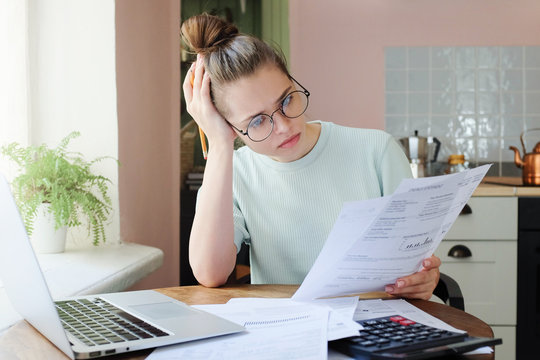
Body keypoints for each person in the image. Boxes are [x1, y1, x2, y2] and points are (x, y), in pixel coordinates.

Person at [181, 13, 441, 300]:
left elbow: (416, 266)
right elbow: (209, 273)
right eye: (257, 122)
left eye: (287, 100)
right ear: (232, 128)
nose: (283, 126)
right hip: (288, 331)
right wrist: (219, 145)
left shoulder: (377, 151)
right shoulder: (235, 173)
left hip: (376, 325)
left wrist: (423, 279)